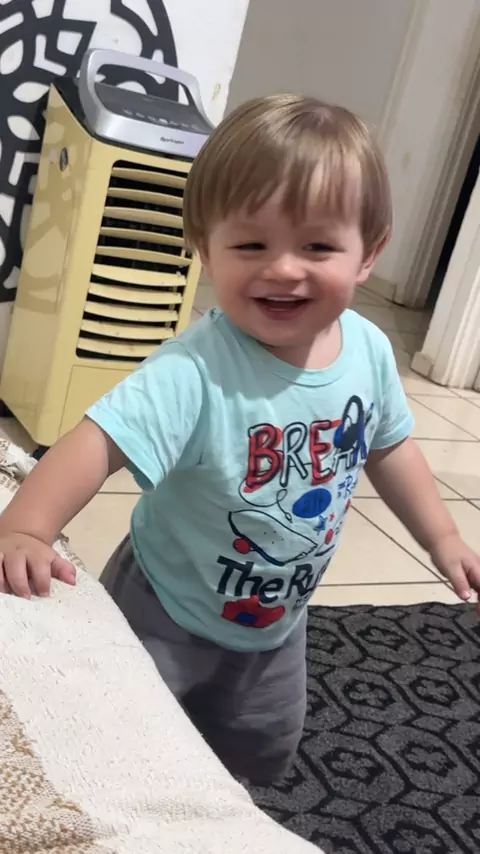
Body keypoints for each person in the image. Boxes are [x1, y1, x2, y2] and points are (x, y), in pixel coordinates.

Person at [0, 95, 479, 785]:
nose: (283, 268)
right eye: (252, 245)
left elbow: (389, 446)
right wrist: (26, 527)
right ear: (204, 249)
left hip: (278, 624)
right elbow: (97, 441)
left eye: (317, 246)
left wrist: (443, 537)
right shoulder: (196, 370)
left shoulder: (370, 352)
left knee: (258, 750)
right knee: (126, 745)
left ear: (368, 253)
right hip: (166, 607)